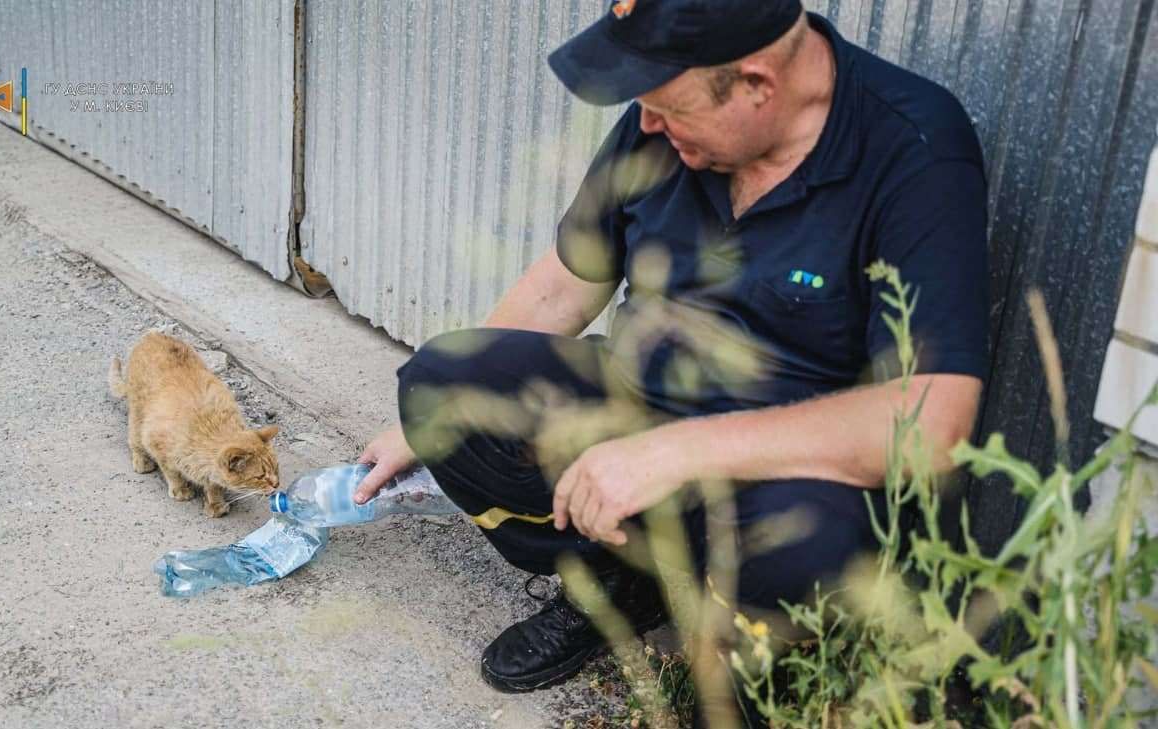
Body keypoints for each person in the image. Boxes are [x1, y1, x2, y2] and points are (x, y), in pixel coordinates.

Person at [355, 0, 988, 720]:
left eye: (666, 108)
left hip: (782, 471)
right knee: (443, 383)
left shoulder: (915, 148)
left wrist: (678, 451)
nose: (647, 124)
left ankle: (752, 692)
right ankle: (617, 590)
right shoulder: (664, 121)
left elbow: (932, 421)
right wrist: (426, 427)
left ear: (756, 84)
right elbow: (568, 280)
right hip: (638, 402)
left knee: (809, 546)